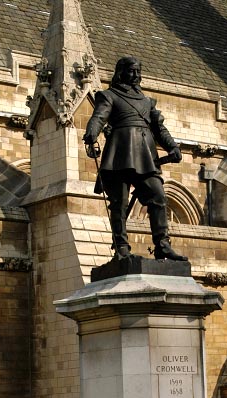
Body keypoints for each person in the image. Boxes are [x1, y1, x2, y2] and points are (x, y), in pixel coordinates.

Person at [83, 56, 188, 261]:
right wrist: (91, 134)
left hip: (146, 154)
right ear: (121, 72)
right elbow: (99, 117)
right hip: (119, 153)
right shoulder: (109, 95)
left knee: (158, 196)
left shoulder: (147, 102)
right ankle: (121, 246)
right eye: (131, 71)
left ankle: (162, 245)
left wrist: (172, 146)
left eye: (138, 72)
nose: (135, 76)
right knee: (119, 203)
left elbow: (159, 128)